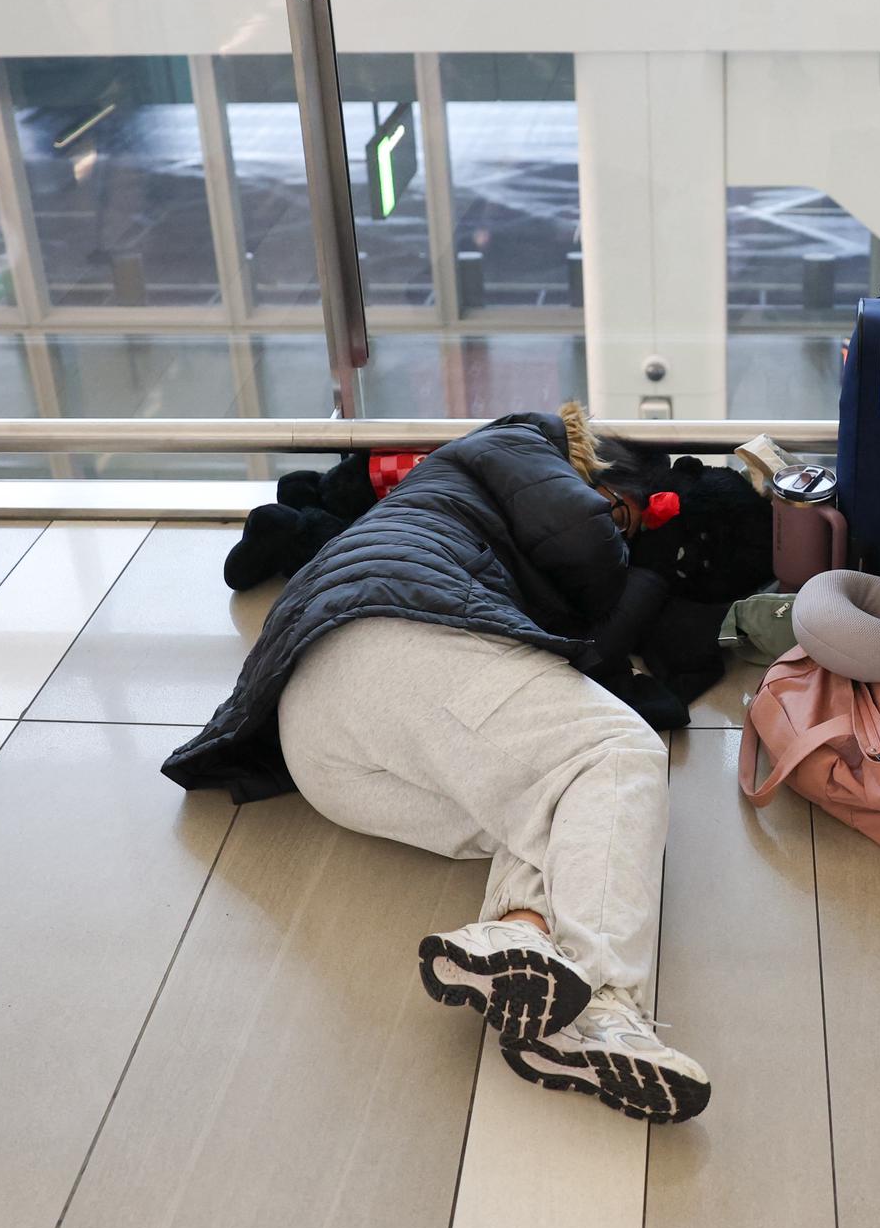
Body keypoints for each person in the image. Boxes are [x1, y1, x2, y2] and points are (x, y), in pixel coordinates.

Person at [163, 405, 711, 1125]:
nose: (616, 528)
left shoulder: (474, 499)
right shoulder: (518, 439)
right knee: (621, 749)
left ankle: (522, 939)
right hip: (389, 642)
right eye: (621, 511)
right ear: (595, 472)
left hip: (330, 744)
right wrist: (643, 568)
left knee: (551, 808)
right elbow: (584, 547)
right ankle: (607, 1002)